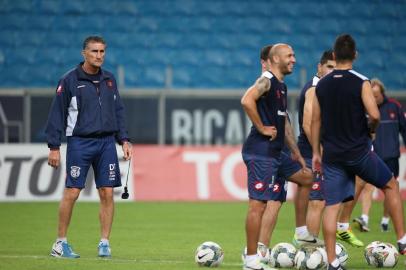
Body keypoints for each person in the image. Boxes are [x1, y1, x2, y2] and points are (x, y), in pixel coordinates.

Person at [311, 34, 406, 270]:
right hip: (359, 153)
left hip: (332, 156)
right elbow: (374, 115)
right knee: (391, 185)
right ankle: (403, 240)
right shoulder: (361, 81)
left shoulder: (322, 84)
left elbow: (315, 120)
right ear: (355, 55)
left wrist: (315, 152)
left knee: (331, 206)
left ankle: (332, 262)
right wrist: (370, 130)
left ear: (333, 56)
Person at [46, 36, 132, 258]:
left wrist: (124, 139)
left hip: (106, 144)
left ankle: (104, 243)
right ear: (84, 53)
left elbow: (118, 111)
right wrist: (53, 146)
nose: (99, 56)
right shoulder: (69, 80)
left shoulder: (110, 80)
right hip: (80, 143)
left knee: (107, 193)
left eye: (102, 51)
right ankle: (60, 243)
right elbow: (57, 114)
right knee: (72, 191)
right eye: (94, 51)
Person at [241, 43, 314, 270]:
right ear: (274, 59)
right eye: (289, 55)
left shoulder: (281, 86)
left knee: (307, 178)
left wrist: (295, 152)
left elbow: (285, 122)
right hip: (261, 152)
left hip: (277, 153)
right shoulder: (267, 80)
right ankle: (251, 260)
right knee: (258, 205)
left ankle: (301, 231)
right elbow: (246, 100)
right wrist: (262, 127)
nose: (294, 59)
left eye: (294, 54)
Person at [299, 50, 364, 248]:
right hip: (315, 151)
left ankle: (342, 226)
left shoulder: (332, 88)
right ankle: (310, 250)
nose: (332, 71)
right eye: (329, 66)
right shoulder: (315, 88)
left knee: (356, 182)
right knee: (317, 201)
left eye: (336, 68)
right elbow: (308, 124)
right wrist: (319, 151)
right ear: (319, 67)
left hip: (333, 149)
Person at [353, 78, 406, 232]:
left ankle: (384, 220)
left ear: (382, 93)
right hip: (372, 154)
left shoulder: (394, 107)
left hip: (391, 156)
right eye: (371, 95)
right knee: (367, 186)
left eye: (376, 96)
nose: (373, 99)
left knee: (391, 189)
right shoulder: (365, 108)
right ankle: (364, 218)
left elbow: (404, 129)